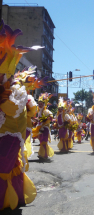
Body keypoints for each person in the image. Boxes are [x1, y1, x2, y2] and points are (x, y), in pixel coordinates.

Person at [0, 20, 42, 210]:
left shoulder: (17, 92)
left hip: (9, 136)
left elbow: (14, 111)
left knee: (5, 166)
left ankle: (9, 198)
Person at [32, 93, 54, 159]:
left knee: (44, 141)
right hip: (40, 129)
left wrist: (45, 120)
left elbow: (50, 117)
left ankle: (44, 155)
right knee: (41, 142)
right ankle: (43, 154)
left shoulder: (46, 111)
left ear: (44, 104)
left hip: (45, 128)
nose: (40, 105)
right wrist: (34, 120)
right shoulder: (39, 112)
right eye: (39, 104)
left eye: (41, 104)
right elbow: (38, 120)